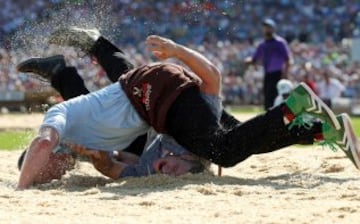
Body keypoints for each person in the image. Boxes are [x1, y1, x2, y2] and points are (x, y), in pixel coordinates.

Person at [17, 27, 359, 190]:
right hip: (157, 114)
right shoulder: (152, 150)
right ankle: (322, 129)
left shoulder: (68, 126)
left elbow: (213, 78)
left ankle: (298, 106)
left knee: (224, 148)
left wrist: (178, 51)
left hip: (153, 101)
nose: (167, 169)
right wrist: (95, 158)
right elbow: (115, 166)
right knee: (240, 135)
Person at [249, 18, 292, 110]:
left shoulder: (280, 43)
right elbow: (254, 59)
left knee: (279, 98)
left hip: (278, 74)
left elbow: (288, 59)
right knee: (268, 99)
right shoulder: (262, 44)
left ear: (273, 29)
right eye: (265, 27)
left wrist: (285, 74)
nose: (266, 29)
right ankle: (269, 121)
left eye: (268, 27)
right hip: (268, 75)